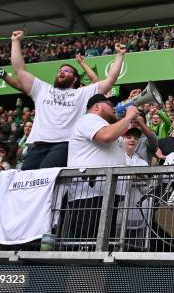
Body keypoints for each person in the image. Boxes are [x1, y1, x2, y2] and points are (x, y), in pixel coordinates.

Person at [9, 30, 126, 170]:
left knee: (47, 176)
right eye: (60, 70)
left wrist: (120, 55)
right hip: (37, 144)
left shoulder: (81, 93)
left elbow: (110, 80)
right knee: (26, 179)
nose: (62, 71)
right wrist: (15, 42)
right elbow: (19, 70)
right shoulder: (42, 89)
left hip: (64, 144)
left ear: (75, 78)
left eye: (67, 70)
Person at [65, 94, 138, 244]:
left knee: (103, 242)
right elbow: (106, 136)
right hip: (88, 195)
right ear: (97, 106)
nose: (113, 108)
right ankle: (81, 268)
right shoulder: (89, 119)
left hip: (105, 193)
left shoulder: (102, 123)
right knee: (88, 242)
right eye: (110, 105)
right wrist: (128, 117)